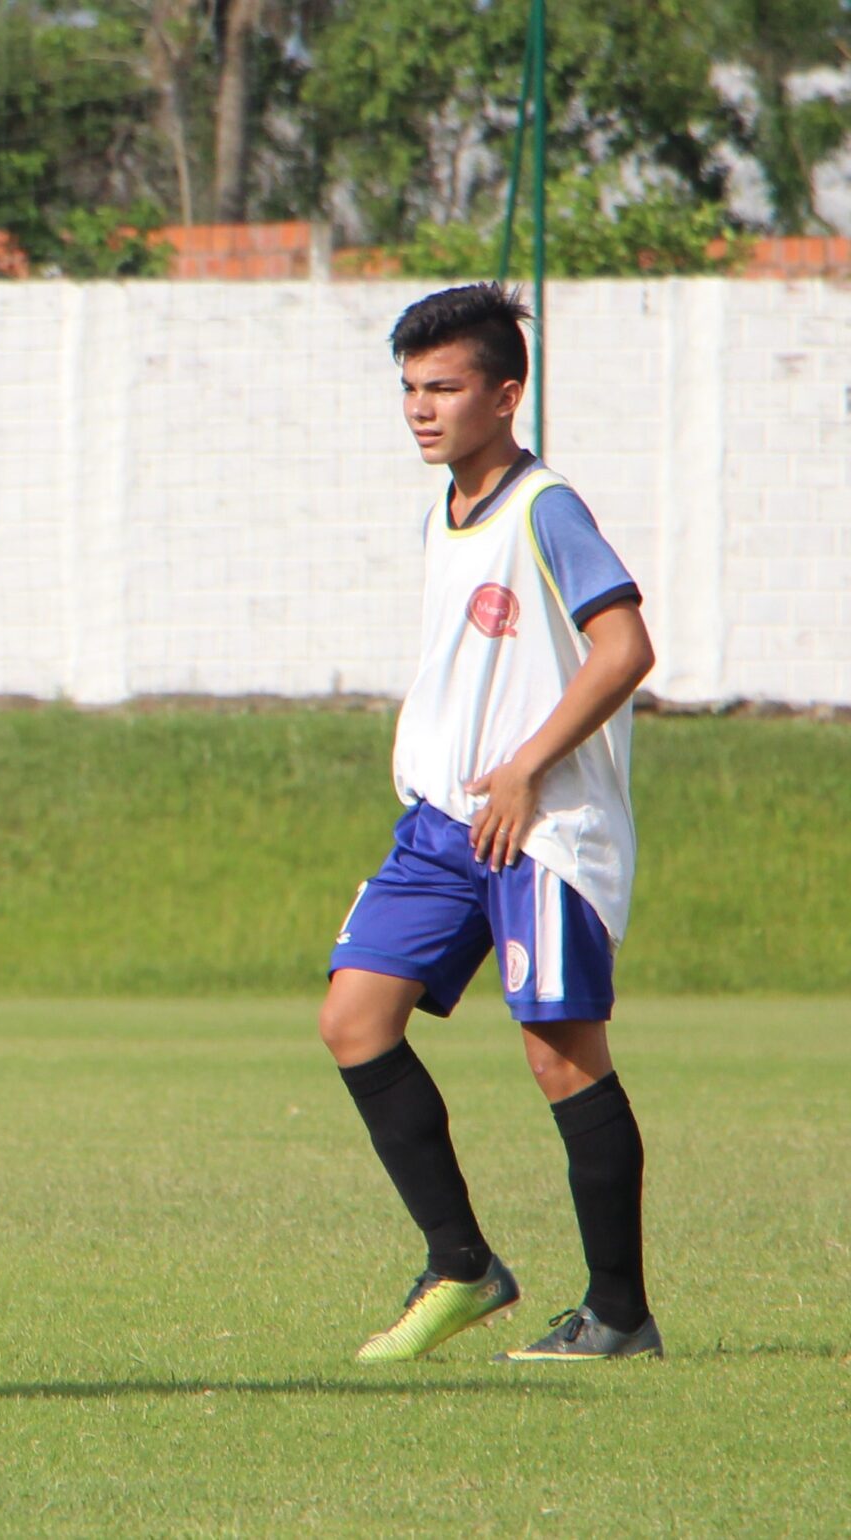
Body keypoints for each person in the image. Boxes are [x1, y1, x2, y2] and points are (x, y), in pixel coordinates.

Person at [321, 283, 661, 1365]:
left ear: (505, 394)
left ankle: (617, 1314)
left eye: (446, 387)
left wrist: (523, 768)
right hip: (442, 823)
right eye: (411, 388)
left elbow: (624, 649)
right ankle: (462, 1265)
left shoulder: (541, 506)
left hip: (542, 823)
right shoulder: (444, 514)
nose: (422, 408)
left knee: (560, 1058)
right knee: (353, 1021)